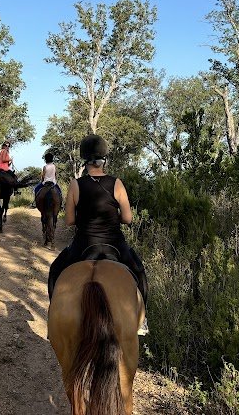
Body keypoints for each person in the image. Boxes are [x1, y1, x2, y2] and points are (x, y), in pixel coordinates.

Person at [47, 134, 149, 334]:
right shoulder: (116, 183)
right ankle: (142, 321)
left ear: (84, 160)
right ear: (104, 159)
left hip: (84, 243)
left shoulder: (76, 185)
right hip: (114, 242)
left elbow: (69, 221)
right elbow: (128, 218)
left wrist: (85, 219)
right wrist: (113, 219)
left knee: (55, 271)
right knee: (139, 271)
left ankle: (53, 319)